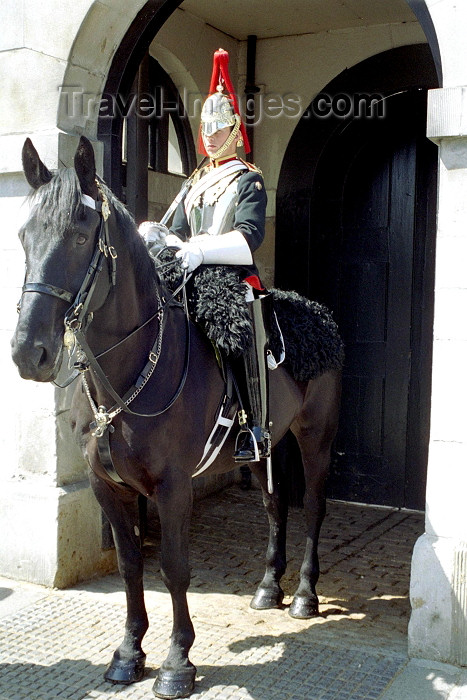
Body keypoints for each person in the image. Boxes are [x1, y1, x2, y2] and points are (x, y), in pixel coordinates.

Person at [139, 48, 271, 463]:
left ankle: (253, 424)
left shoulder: (248, 179)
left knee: (239, 329)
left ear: (234, 129)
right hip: (186, 272)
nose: (209, 136)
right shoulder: (194, 182)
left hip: (229, 274)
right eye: (205, 128)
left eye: (219, 128)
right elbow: (174, 229)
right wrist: (153, 235)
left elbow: (250, 237)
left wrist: (198, 250)